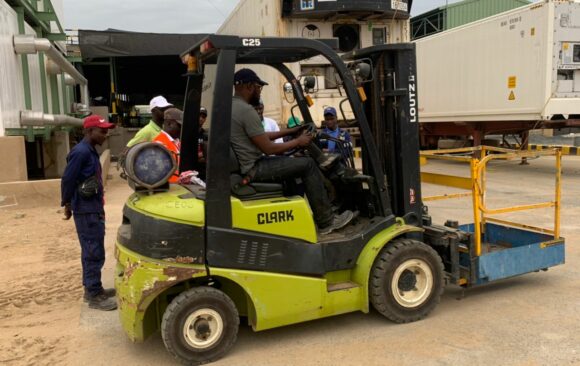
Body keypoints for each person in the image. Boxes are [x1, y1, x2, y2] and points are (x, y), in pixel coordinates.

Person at [230, 68, 354, 235]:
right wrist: (298, 141)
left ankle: (305, 216)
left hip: (247, 165)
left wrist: (290, 131)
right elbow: (268, 148)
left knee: (297, 165)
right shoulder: (246, 111)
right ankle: (326, 221)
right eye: (259, 87)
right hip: (253, 167)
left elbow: (261, 136)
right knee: (308, 164)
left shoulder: (233, 107)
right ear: (250, 86)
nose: (260, 91)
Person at [61, 115, 117, 311]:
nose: (105, 134)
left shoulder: (90, 151)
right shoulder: (81, 152)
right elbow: (68, 179)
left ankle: (95, 288)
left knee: (94, 249)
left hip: (92, 208)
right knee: (93, 251)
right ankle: (93, 294)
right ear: (89, 131)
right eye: (102, 131)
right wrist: (67, 204)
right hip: (86, 211)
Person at [153, 108, 183, 183]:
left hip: (178, 187)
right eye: (180, 126)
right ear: (169, 124)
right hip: (170, 188)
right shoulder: (160, 144)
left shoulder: (176, 140)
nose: (182, 129)